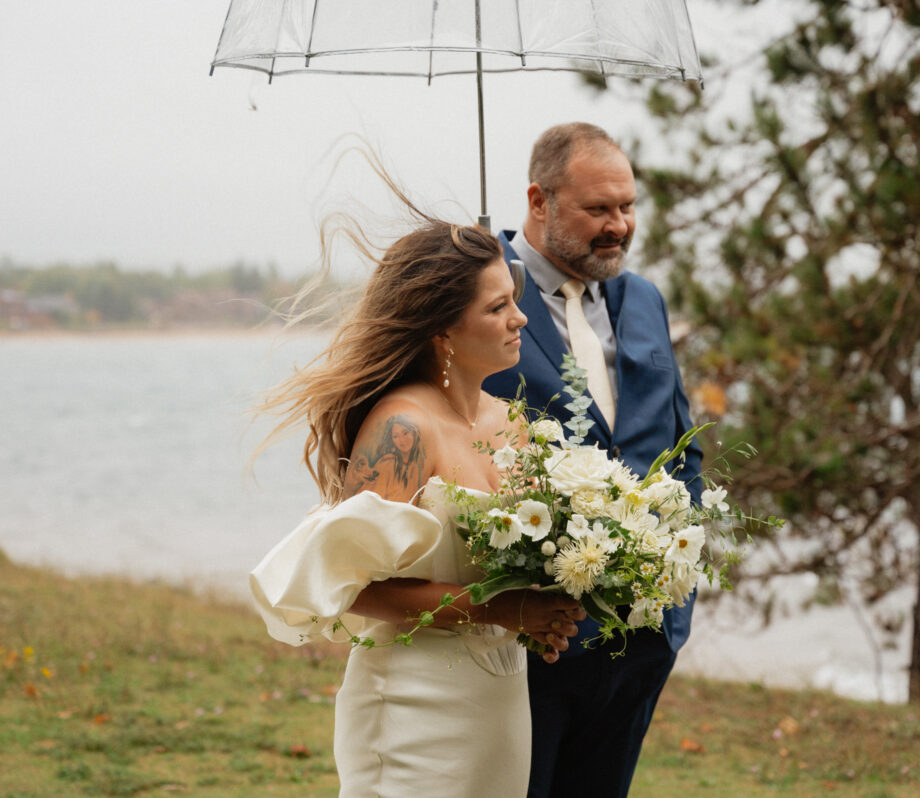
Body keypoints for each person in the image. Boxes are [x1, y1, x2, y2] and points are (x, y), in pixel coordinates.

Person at [249, 208, 585, 797]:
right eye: (497, 306)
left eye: (514, 298)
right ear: (443, 331)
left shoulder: (512, 424)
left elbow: (514, 568)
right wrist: (504, 611)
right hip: (413, 707)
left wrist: (559, 593)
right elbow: (358, 588)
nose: (520, 318)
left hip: (501, 699)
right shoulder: (402, 429)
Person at [483, 122, 704, 798]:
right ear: (538, 200)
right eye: (598, 209)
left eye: (628, 206)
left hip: (643, 640)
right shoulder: (479, 291)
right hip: (534, 640)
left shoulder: (644, 299)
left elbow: (679, 442)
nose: (620, 226)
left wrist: (678, 595)